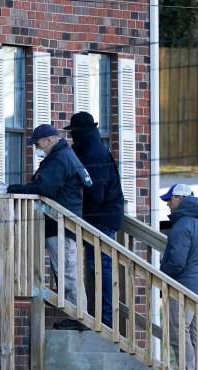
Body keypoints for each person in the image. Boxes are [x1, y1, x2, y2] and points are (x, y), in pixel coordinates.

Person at [7, 123, 93, 330]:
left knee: (66, 270)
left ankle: (78, 317)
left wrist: (12, 188)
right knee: (65, 269)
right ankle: (76, 314)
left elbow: (45, 187)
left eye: (38, 143)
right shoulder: (63, 155)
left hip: (60, 223)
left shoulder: (60, 158)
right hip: (59, 222)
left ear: (49, 140)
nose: (37, 147)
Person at [65, 111, 126, 327]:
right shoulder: (91, 149)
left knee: (101, 268)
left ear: (81, 134)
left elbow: (96, 192)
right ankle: (100, 317)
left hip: (102, 217)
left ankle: (106, 320)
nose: (72, 138)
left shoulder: (94, 154)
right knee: (96, 267)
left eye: (74, 134)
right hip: (102, 216)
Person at [160, 183, 198, 370]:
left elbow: (176, 261)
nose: (168, 204)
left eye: (170, 199)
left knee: (177, 331)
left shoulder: (183, 225)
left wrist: (162, 274)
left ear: (180, 199)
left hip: (184, 286)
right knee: (193, 334)